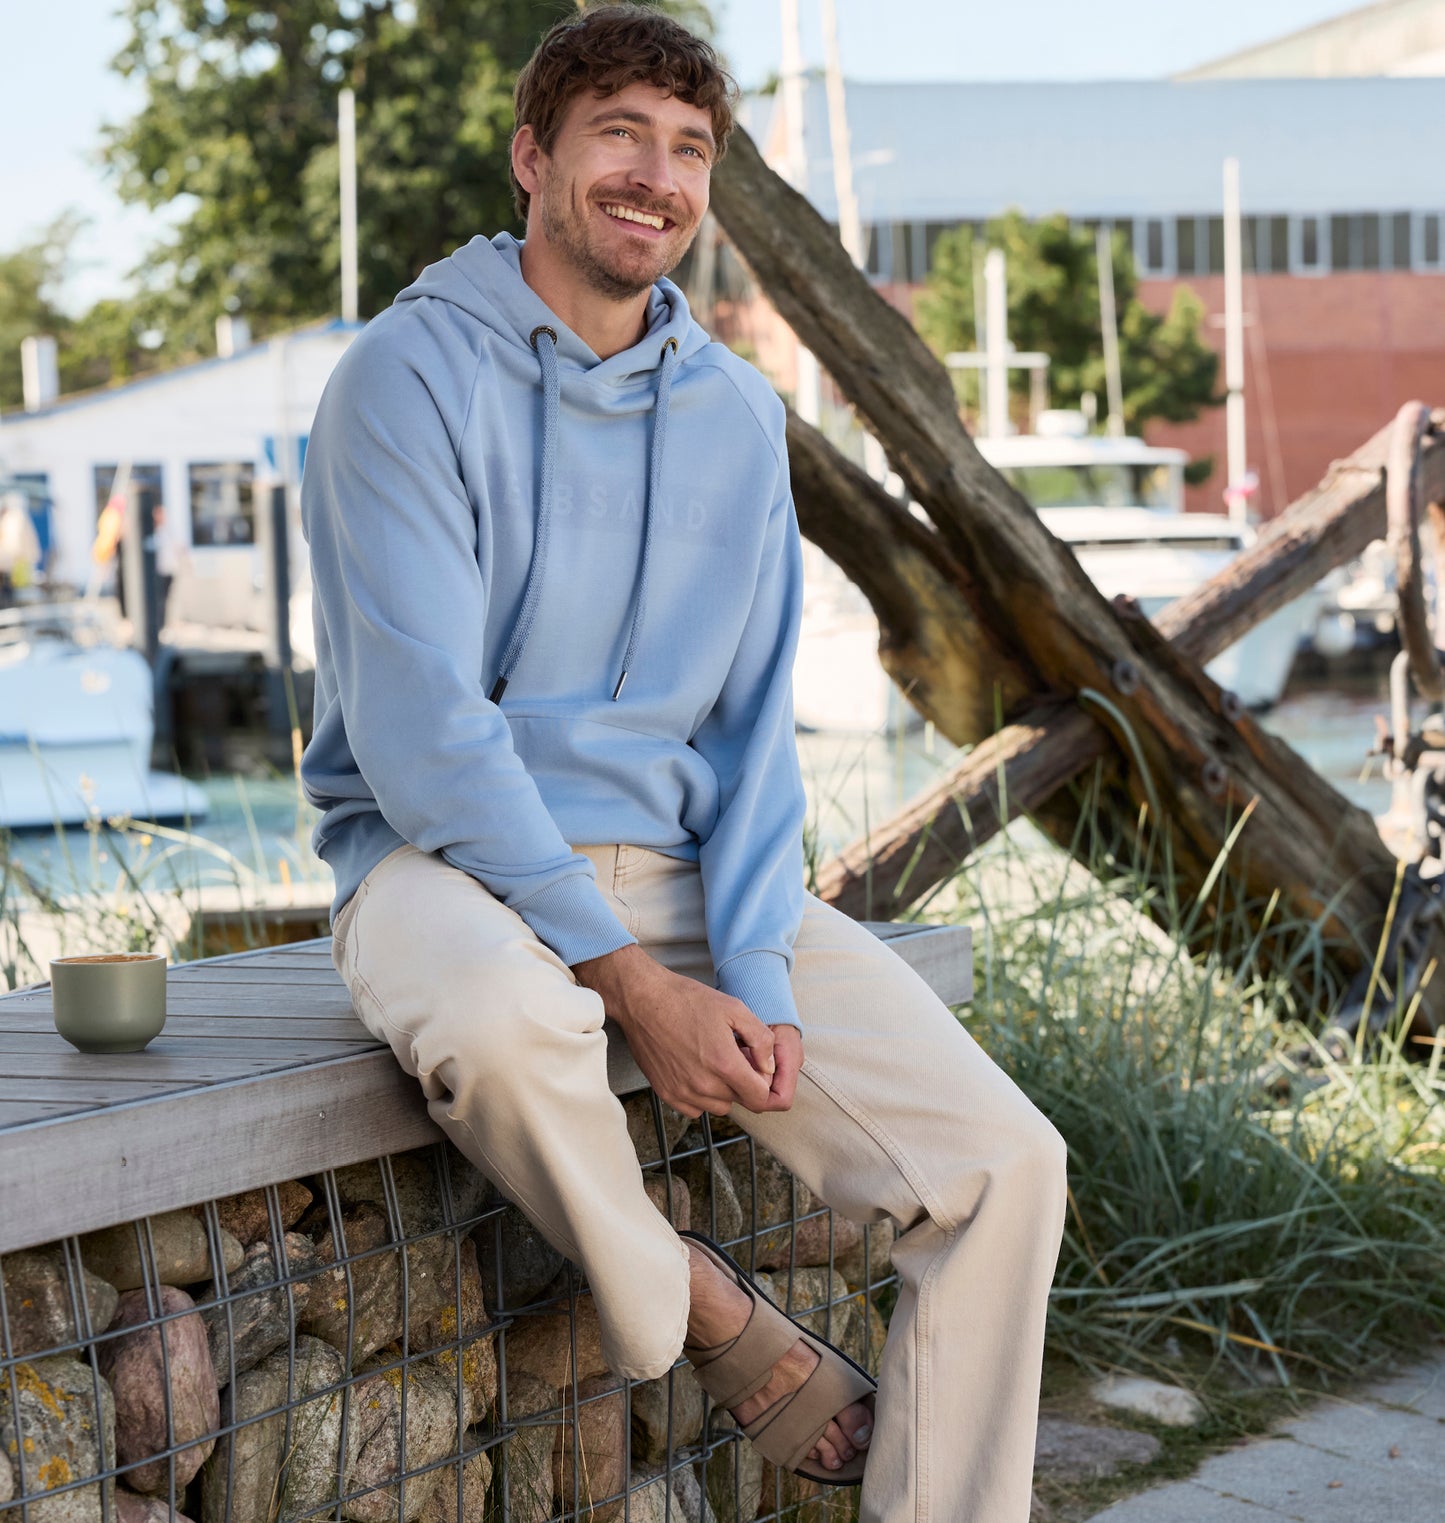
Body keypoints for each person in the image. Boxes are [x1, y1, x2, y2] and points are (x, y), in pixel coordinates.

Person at [300, 8, 1066, 1519]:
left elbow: (752, 727)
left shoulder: (733, 413)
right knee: (508, 1024)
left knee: (1003, 1164)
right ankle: (702, 1307)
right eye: (620, 136)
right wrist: (635, 989)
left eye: (690, 149)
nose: (657, 177)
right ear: (532, 158)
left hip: (680, 877)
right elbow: (424, 733)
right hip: (436, 867)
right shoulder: (401, 376)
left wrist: (757, 973)